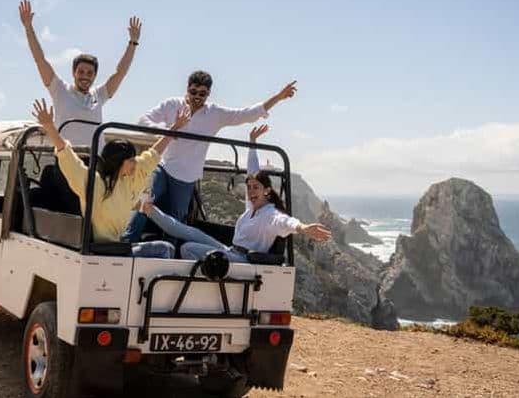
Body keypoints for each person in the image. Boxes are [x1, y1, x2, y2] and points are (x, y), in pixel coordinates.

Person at [122, 70, 298, 242]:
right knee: (144, 199)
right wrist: (169, 131)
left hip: (186, 177)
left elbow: (246, 114)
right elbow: (143, 121)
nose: (197, 97)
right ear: (187, 89)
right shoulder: (172, 105)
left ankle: (169, 251)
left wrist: (278, 97)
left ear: (208, 94)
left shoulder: (214, 114)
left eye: (202, 93)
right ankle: (126, 242)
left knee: (176, 222)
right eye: (193, 92)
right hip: (163, 166)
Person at [137, 125, 332, 262]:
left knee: (188, 248)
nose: (251, 191)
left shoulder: (271, 215)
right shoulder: (252, 207)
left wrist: (303, 228)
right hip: (231, 251)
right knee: (190, 232)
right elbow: (252, 170)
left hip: (244, 260)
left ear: (267, 191)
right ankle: (149, 209)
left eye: (256, 187)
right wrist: (252, 143)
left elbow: (287, 222)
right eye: (249, 187)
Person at [30, 98, 191, 258]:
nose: (135, 162)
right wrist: (50, 127)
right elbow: (67, 155)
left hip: (118, 246)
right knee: (165, 249)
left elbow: (153, 154)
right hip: (102, 251)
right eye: (131, 159)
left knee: (166, 247)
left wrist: (175, 127)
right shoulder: (94, 182)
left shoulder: (130, 178)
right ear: (118, 162)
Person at [19, 0, 142, 147]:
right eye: (81, 71)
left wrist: (133, 42)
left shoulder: (99, 95)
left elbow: (120, 72)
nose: (85, 76)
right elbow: (40, 60)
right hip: (68, 158)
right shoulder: (60, 89)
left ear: (94, 75)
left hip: (95, 159)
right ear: (74, 72)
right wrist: (28, 27)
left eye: (90, 73)